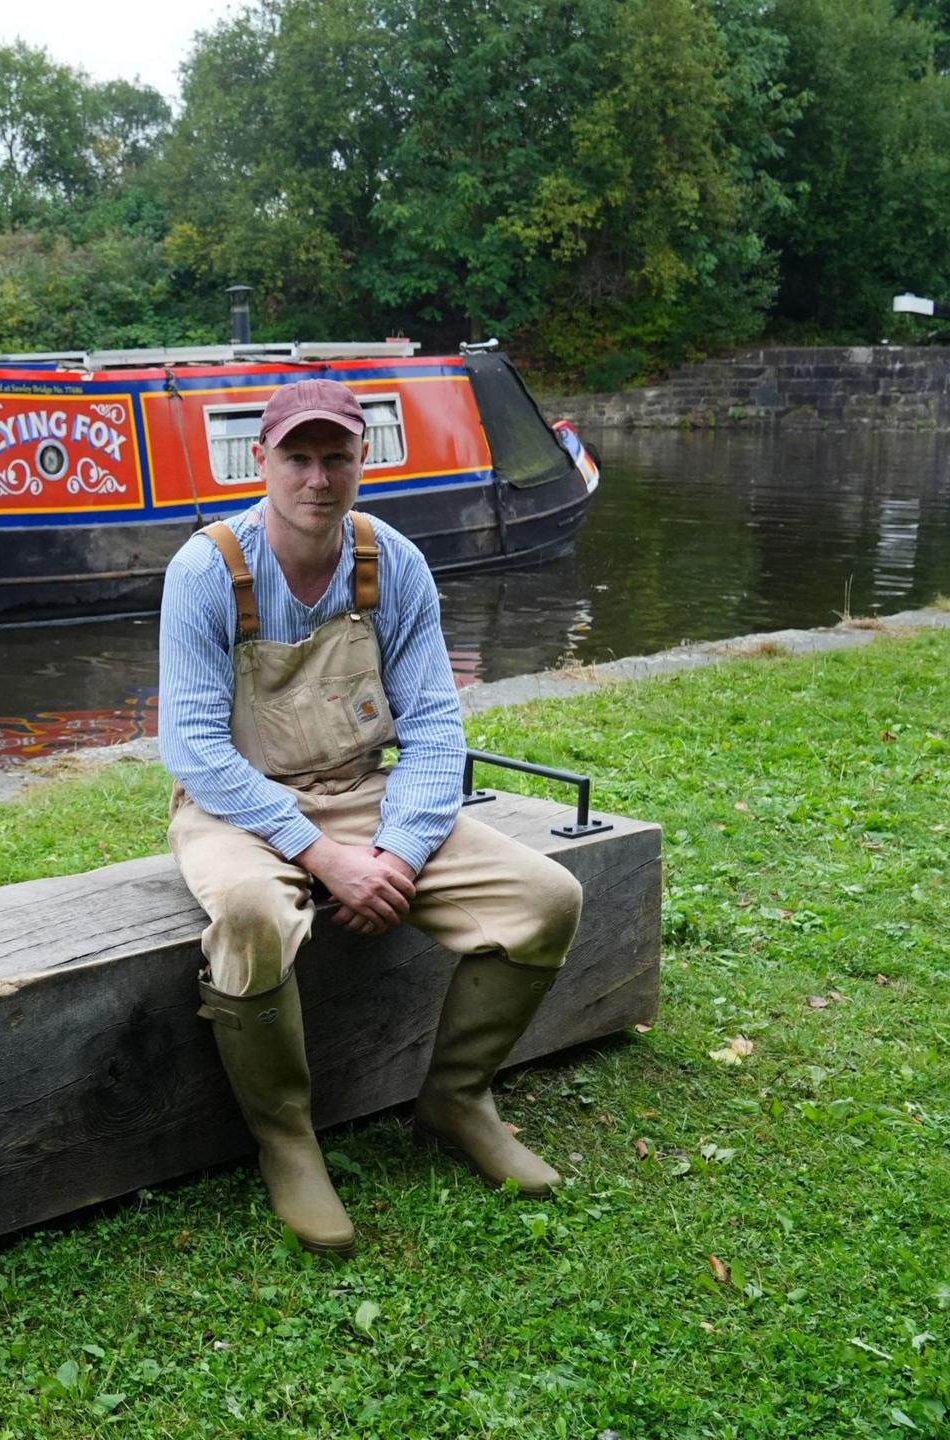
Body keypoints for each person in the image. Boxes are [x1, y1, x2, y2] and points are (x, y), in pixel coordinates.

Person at [157, 378, 585, 1256]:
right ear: (262, 462)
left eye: (336, 456)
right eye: (298, 458)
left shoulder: (393, 563)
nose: (317, 477)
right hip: (235, 808)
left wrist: (396, 849)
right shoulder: (206, 570)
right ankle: (288, 1141)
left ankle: (456, 1101)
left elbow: (433, 727)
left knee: (548, 899)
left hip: (366, 791)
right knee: (251, 915)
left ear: (363, 461)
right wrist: (322, 857)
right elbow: (196, 748)